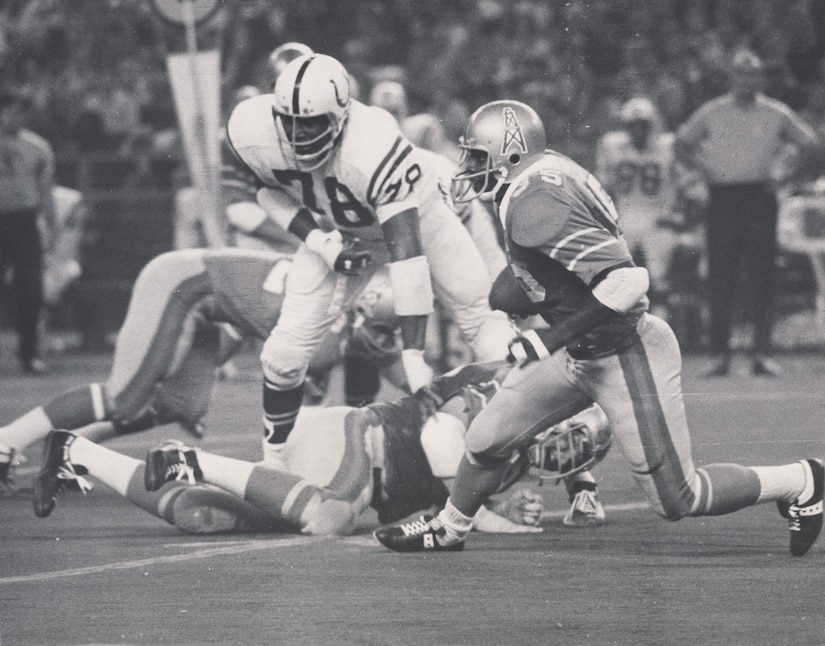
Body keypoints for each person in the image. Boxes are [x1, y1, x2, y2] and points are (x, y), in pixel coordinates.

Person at [373, 99, 823, 557]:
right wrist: (526, 288)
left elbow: (628, 280)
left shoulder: (535, 199)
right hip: (579, 352)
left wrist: (549, 336)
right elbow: (563, 265)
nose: (468, 167)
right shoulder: (543, 172)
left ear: (509, 151)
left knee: (678, 498)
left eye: (477, 156)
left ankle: (802, 479)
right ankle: (450, 527)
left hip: (626, 350)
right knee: (487, 437)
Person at [226, 53, 514, 467]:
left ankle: (519, 433)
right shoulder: (251, 130)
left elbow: (408, 259)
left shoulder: (373, 148)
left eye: (311, 122)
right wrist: (323, 244)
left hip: (418, 215)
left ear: (340, 117)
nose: (298, 132)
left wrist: (413, 359)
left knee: (482, 320)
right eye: (289, 120)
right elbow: (267, 194)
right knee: (283, 354)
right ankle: (274, 463)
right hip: (342, 232)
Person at [0, 247, 377, 494]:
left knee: (177, 404)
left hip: (215, 306)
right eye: (383, 332)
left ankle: (67, 452)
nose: (385, 344)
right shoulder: (332, 332)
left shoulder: (343, 313)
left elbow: (241, 320)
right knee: (124, 396)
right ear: (361, 312)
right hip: (185, 282)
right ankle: (5, 441)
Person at [31, 363, 553, 537]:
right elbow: (442, 441)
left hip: (364, 466)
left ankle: (76, 452)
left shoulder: (535, 419)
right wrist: (480, 514)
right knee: (328, 516)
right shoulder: (505, 384)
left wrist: (504, 500)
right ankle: (190, 459)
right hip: (359, 438)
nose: (563, 451)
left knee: (204, 516)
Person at [673, 49, 822, 377]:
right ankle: (719, 354)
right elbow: (682, 143)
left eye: (753, 73)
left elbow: (809, 143)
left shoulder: (774, 112)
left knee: (762, 276)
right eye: (741, 73)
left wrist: (786, 175)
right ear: (731, 78)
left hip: (759, 196)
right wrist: (702, 169)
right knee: (721, 277)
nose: (747, 80)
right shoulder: (713, 112)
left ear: (761, 78)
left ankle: (761, 353)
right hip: (723, 196)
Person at [594, 96, 682, 311]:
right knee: (615, 277)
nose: (638, 130)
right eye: (633, 125)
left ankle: (662, 326)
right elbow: (602, 187)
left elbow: (681, 183)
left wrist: (674, 212)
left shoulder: (668, 146)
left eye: (643, 125)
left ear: (653, 125)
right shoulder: (611, 145)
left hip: (658, 215)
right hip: (624, 215)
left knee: (659, 279)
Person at [0, 88, 57, 374]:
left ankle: (29, 353)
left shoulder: (37, 147)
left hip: (23, 221)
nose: (11, 116)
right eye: (6, 110)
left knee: (30, 289)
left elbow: (45, 192)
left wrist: (52, 224)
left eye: (16, 110)